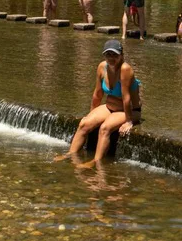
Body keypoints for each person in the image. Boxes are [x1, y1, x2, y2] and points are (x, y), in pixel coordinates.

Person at [55, 40, 141, 168]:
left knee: (105, 128)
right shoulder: (102, 67)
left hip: (128, 110)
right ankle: (70, 154)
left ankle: (96, 161)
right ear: (104, 55)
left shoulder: (125, 69)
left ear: (121, 55)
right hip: (109, 107)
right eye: (108, 55)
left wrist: (129, 121)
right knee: (84, 123)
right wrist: (91, 114)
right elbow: (98, 94)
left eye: (115, 55)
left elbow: (126, 98)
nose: (111, 58)